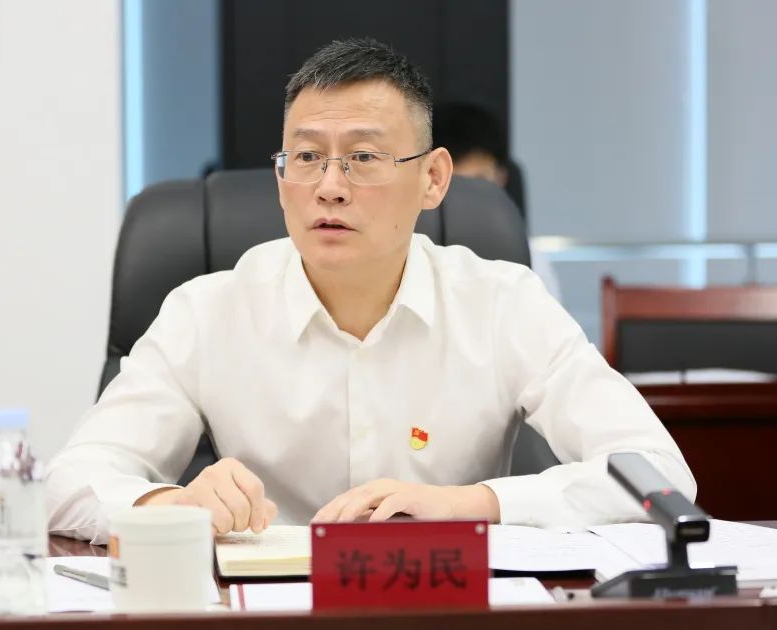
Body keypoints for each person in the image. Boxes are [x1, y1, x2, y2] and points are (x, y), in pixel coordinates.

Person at [46, 38, 694, 544]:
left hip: (445, 601)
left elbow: (656, 474)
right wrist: (170, 503)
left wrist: (469, 505)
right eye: (306, 158)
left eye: (363, 157)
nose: (330, 187)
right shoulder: (207, 312)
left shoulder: (503, 303)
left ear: (433, 179)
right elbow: (69, 482)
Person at [432, 102, 562, 301]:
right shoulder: (405, 252)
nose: (464, 199)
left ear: (501, 179)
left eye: (478, 183)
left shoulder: (530, 260)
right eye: (453, 185)